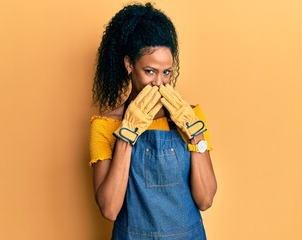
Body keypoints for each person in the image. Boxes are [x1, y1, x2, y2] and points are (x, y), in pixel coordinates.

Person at [89, 3, 217, 239]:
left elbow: (206, 199)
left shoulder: (191, 117)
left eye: (166, 72)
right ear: (129, 65)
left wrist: (194, 134)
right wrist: (127, 134)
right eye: (149, 71)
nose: (159, 83)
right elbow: (109, 209)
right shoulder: (105, 125)